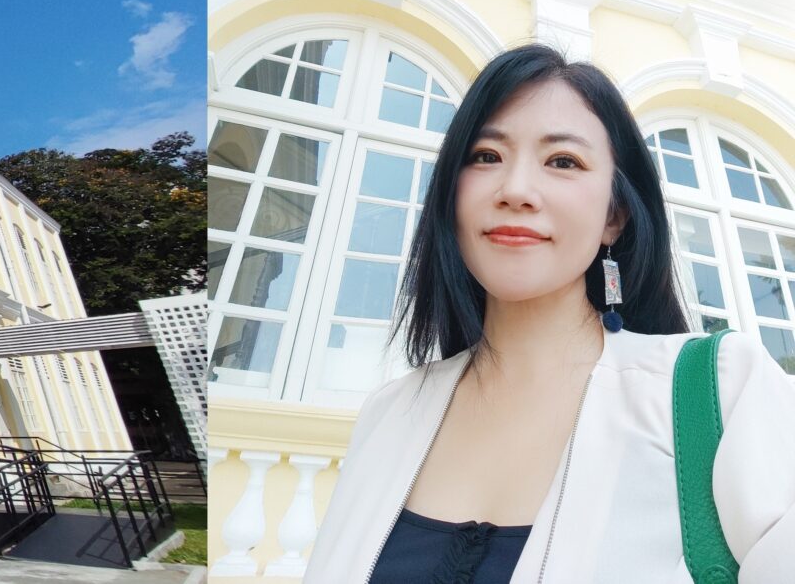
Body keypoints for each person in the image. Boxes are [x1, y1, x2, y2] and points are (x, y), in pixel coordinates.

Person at [304, 44, 795, 582]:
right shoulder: (389, 413)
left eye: (564, 161)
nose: (515, 190)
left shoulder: (721, 391)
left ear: (615, 216)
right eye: (486, 156)